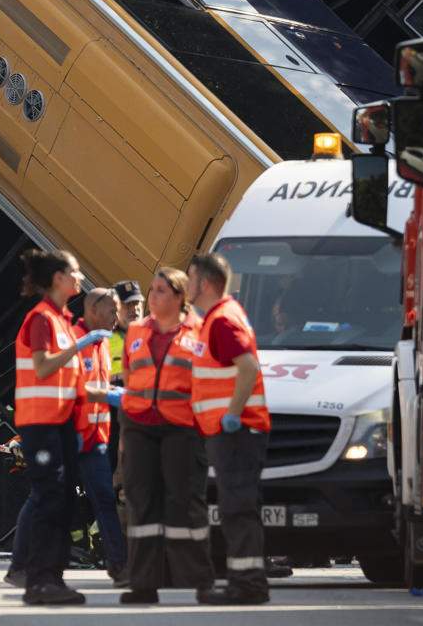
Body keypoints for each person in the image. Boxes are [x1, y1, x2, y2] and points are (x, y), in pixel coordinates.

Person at [12, 248, 106, 606]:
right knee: (51, 498)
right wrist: (79, 346)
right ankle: (40, 579)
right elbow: (42, 366)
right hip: (41, 422)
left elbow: (68, 377)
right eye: (76, 272)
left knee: (64, 499)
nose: (80, 277)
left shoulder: (61, 319)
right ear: (58, 279)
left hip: (60, 421)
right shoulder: (42, 319)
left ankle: (52, 577)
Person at [116, 268, 208, 604]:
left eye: (160, 291)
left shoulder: (198, 332)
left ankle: (198, 579)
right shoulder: (136, 331)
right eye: (152, 290)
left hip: (182, 427)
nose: (152, 297)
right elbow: (129, 382)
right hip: (140, 425)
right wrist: (126, 437)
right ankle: (143, 583)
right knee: (141, 504)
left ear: (180, 296)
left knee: (184, 503)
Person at [187, 250, 270, 605]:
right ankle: (245, 581)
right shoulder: (220, 317)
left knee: (237, 508)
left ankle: (248, 583)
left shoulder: (221, 320)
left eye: (190, 279)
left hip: (235, 431)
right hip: (231, 431)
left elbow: (248, 367)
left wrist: (232, 414)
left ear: (204, 283)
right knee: (238, 507)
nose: (186, 285)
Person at [74, 287, 127, 585]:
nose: (116, 318)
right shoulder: (75, 342)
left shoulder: (103, 344)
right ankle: (24, 564)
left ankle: (120, 565)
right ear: (93, 311)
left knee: (105, 499)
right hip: (69, 436)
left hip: (94, 438)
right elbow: (73, 389)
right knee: (47, 499)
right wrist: (112, 395)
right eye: (112, 311)